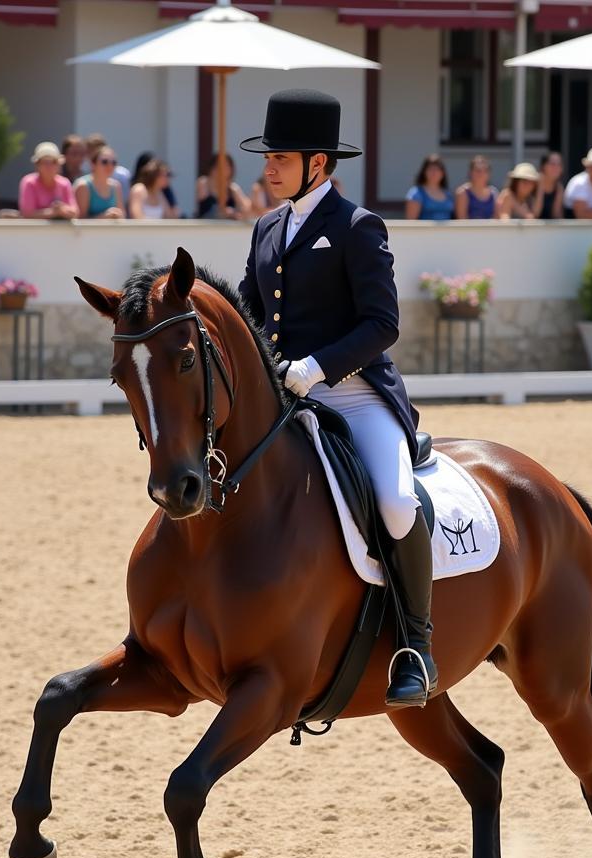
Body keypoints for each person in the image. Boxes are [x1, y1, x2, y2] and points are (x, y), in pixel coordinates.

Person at [238, 88, 435, 708]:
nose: (267, 169)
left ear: (317, 164)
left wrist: (317, 368)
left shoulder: (357, 227)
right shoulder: (267, 227)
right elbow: (248, 312)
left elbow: (383, 324)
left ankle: (417, 647)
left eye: (280, 159)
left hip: (352, 396)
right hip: (286, 401)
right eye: (267, 158)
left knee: (398, 504)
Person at [19, 141, 77, 220]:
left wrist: (62, 209)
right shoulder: (29, 182)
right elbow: (27, 213)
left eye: (53, 162)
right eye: (45, 162)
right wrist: (54, 212)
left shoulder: (65, 183)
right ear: (37, 165)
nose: (49, 166)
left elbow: (75, 212)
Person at [74, 145, 125, 219]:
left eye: (113, 162)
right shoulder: (83, 186)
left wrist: (118, 215)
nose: (110, 166)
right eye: (104, 162)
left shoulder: (116, 186)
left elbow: (123, 215)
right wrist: (102, 217)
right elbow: (79, 220)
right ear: (93, 164)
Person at [195, 153, 250, 219]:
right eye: (219, 166)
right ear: (212, 168)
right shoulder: (204, 183)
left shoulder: (232, 188)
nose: (223, 169)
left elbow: (247, 209)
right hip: (205, 226)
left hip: (226, 227)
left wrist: (233, 212)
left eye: (226, 166)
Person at [85, 133, 132, 204]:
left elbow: (125, 203)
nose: (94, 154)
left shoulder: (122, 176)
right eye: (90, 151)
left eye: (114, 162)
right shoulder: (84, 181)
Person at [405, 155, 455, 221]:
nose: (434, 172)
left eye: (437, 169)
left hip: (447, 231)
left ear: (443, 173)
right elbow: (410, 222)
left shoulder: (448, 194)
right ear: (424, 172)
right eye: (431, 169)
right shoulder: (416, 193)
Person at [132, 150, 180, 217]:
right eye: (167, 175)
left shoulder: (160, 193)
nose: (168, 178)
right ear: (155, 176)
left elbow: (170, 217)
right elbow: (137, 216)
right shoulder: (138, 189)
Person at [454, 155, 498, 220]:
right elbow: (462, 220)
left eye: (485, 170)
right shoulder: (462, 193)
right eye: (478, 170)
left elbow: (497, 218)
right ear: (470, 173)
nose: (481, 174)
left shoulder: (494, 192)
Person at [536, 151, 564, 220]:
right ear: (543, 166)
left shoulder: (559, 188)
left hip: (548, 229)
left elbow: (556, 215)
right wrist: (540, 186)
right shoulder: (533, 183)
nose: (556, 167)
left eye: (559, 164)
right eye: (552, 164)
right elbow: (535, 213)